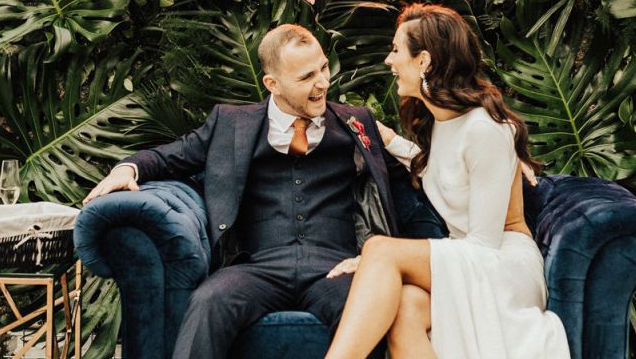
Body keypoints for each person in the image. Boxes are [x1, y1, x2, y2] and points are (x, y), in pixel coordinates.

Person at [83, 23, 405, 359]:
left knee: (365, 308)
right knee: (208, 302)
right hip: (257, 268)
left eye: (323, 68)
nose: (323, 82)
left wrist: (394, 142)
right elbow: (171, 157)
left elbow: (410, 177)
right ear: (272, 84)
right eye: (307, 77)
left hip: (336, 266)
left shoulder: (356, 122)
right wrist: (126, 169)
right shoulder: (231, 123)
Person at [325, 3, 571, 359]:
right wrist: (388, 139)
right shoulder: (442, 121)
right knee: (406, 306)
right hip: (472, 258)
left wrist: (381, 259)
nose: (389, 61)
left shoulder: (485, 129)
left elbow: (484, 244)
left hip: (503, 265)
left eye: (396, 50)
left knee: (378, 248)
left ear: (424, 61)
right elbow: (442, 169)